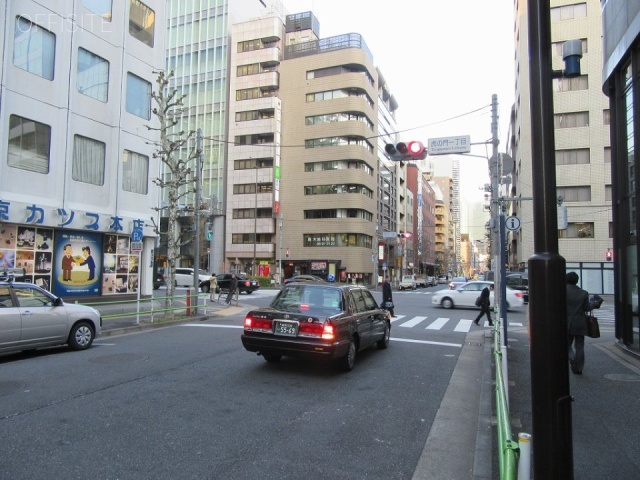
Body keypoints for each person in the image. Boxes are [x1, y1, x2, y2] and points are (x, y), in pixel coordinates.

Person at [566, 271, 590, 375]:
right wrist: (595, 304)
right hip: (580, 323)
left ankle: (572, 359)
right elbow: (587, 308)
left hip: (566, 323)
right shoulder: (584, 293)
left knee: (566, 344)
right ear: (577, 281)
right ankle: (579, 368)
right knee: (580, 346)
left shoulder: (562, 291)